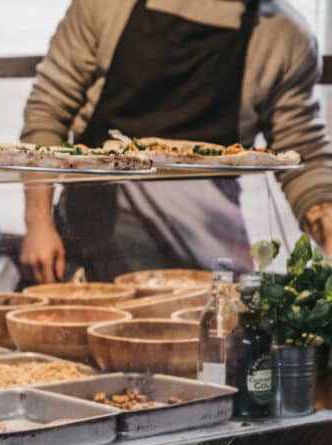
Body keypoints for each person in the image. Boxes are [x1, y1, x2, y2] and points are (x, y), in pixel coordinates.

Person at [20, 0, 332, 284]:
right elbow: (47, 112)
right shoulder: (106, 5)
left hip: (209, 248)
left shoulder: (285, 35)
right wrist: (38, 224)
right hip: (96, 235)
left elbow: (305, 155)